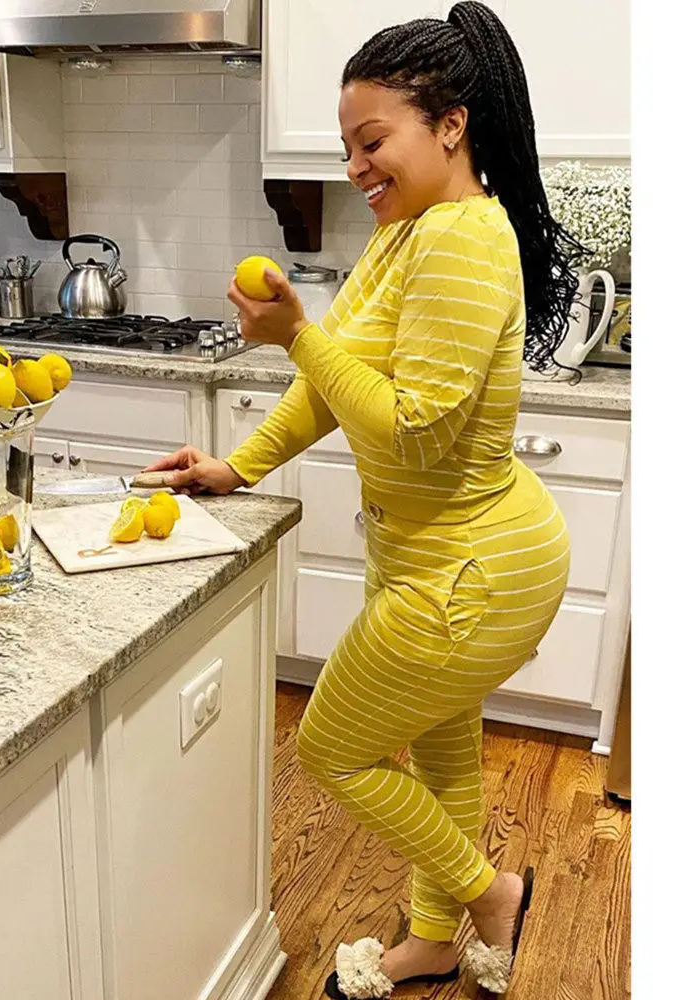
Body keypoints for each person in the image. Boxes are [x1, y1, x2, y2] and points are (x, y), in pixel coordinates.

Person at [144, 3, 587, 997]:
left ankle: (490, 895)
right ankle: (435, 941)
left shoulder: (461, 239)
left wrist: (297, 335)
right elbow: (329, 387)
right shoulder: (404, 234)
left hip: (473, 569)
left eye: (372, 141)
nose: (355, 167)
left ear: (451, 124)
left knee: (333, 747)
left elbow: (411, 429)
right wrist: (237, 467)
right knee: (442, 758)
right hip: (436, 556)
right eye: (348, 147)